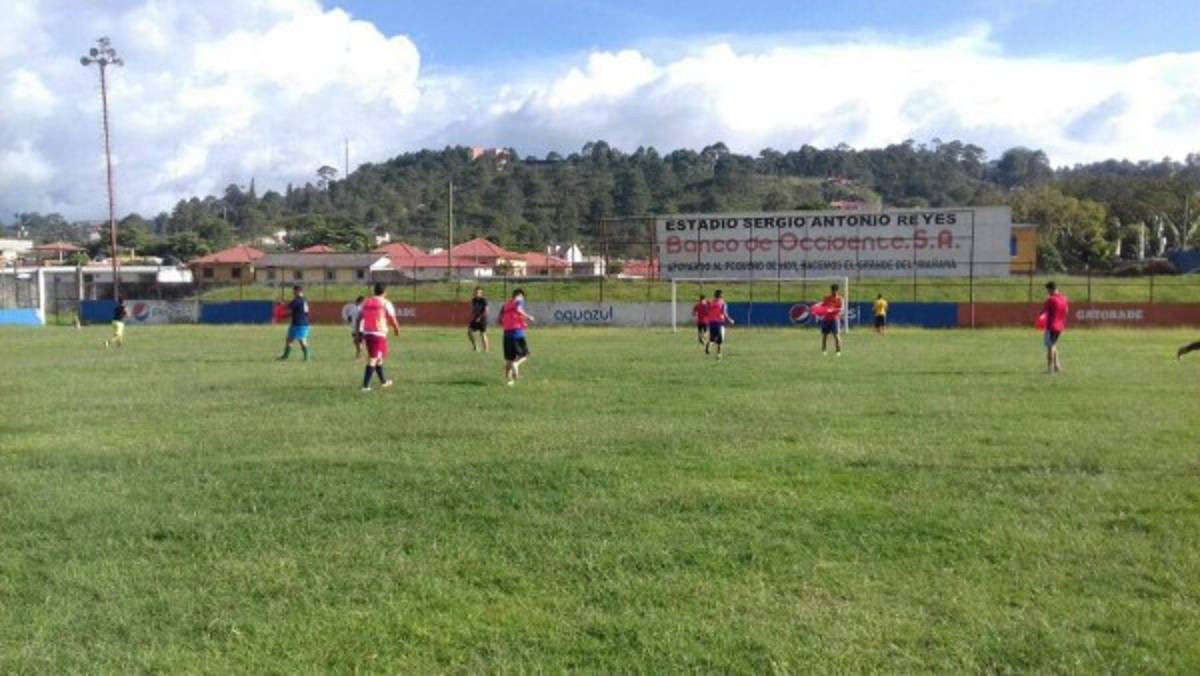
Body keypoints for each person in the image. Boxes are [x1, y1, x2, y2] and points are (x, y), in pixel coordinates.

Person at [357, 283, 400, 391]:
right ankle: (365, 386)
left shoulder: (366, 302)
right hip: (378, 334)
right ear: (385, 292)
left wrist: (358, 332)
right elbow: (392, 318)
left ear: (374, 291)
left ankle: (383, 382)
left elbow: (359, 317)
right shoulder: (385, 303)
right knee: (373, 359)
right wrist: (396, 329)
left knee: (379, 358)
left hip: (367, 333)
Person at [499, 288, 535, 385]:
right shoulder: (519, 300)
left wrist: (521, 321)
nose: (523, 298)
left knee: (509, 358)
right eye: (522, 296)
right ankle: (517, 364)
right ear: (519, 295)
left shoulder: (506, 304)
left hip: (506, 333)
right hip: (517, 333)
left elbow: (501, 318)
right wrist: (529, 317)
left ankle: (509, 379)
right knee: (526, 354)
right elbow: (518, 309)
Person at [278, 285, 311, 361]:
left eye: (294, 291)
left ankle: (306, 357)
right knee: (289, 339)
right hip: (297, 323)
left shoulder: (297, 300)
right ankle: (285, 356)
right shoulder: (304, 300)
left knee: (302, 340)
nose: (293, 293)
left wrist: (281, 304)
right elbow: (298, 312)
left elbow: (288, 307)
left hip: (300, 324)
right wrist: (286, 315)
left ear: (298, 291)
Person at [1042, 281, 1068, 374]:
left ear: (1051, 289)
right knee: (1053, 344)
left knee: (1050, 346)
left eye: (1048, 290)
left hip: (1051, 326)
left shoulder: (1051, 299)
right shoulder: (1064, 298)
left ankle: (1050, 369)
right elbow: (1066, 311)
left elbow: (1043, 311)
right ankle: (1057, 366)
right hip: (1060, 326)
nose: (1047, 292)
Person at [706, 289, 734, 359]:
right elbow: (724, 312)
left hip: (711, 322)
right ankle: (718, 354)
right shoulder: (722, 303)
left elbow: (707, 311)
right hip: (719, 323)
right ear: (721, 295)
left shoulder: (710, 302)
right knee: (720, 340)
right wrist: (729, 320)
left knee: (713, 338)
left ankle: (710, 344)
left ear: (714, 295)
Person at [820, 284, 844, 356]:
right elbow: (823, 307)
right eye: (832, 291)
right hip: (826, 319)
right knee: (824, 335)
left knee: (836, 335)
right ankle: (824, 351)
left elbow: (841, 310)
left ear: (837, 291)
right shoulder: (827, 298)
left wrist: (835, 311)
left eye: (835, 291)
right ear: (831, 290)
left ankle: (838, 351)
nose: (834, 292)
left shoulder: (840, 299)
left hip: (835, 319)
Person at [467, 286, 490, 352]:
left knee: (483, 334)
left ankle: (486, 350)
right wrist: (471, 317)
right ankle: (475, 347)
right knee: (469, 331)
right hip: (475, 318)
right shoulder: (473, 300)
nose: (477, 293)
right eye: (476, 292)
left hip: (482, 319)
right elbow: (473, 310)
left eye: (478, 292)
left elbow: (486, 310)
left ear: (481, 293)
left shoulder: (484, 300)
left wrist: (480, 317)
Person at [342, 296, 365, 360]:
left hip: (357, 328)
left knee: (357, 342)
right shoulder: (360, 309)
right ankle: (359, 355)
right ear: (361, 302)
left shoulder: (355, 308)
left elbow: (349, 318)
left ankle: (359, 356)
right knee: (357, 342)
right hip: (359, 328)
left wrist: (350, 321)